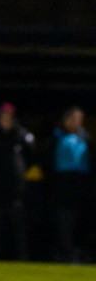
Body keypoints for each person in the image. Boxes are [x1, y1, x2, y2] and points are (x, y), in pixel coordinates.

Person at [0, 102, 36, 260]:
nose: (5, 119)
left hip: (16, 188)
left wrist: (20, 171)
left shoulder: (21, 135)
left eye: (8, 116)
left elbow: (31, 157)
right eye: (2, 116)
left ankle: (22, 257)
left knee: (18, 226)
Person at [46, 106, 92, 263]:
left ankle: (80, 252)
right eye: (74, 119)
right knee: (65, 221)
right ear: (66, 120)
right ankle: (64, 253)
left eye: (80, 119)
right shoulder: (57, 137)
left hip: (82, 184)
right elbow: (48, 162)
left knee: (81, 221)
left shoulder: (85, 138)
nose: (77, 122)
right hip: (63, 185)